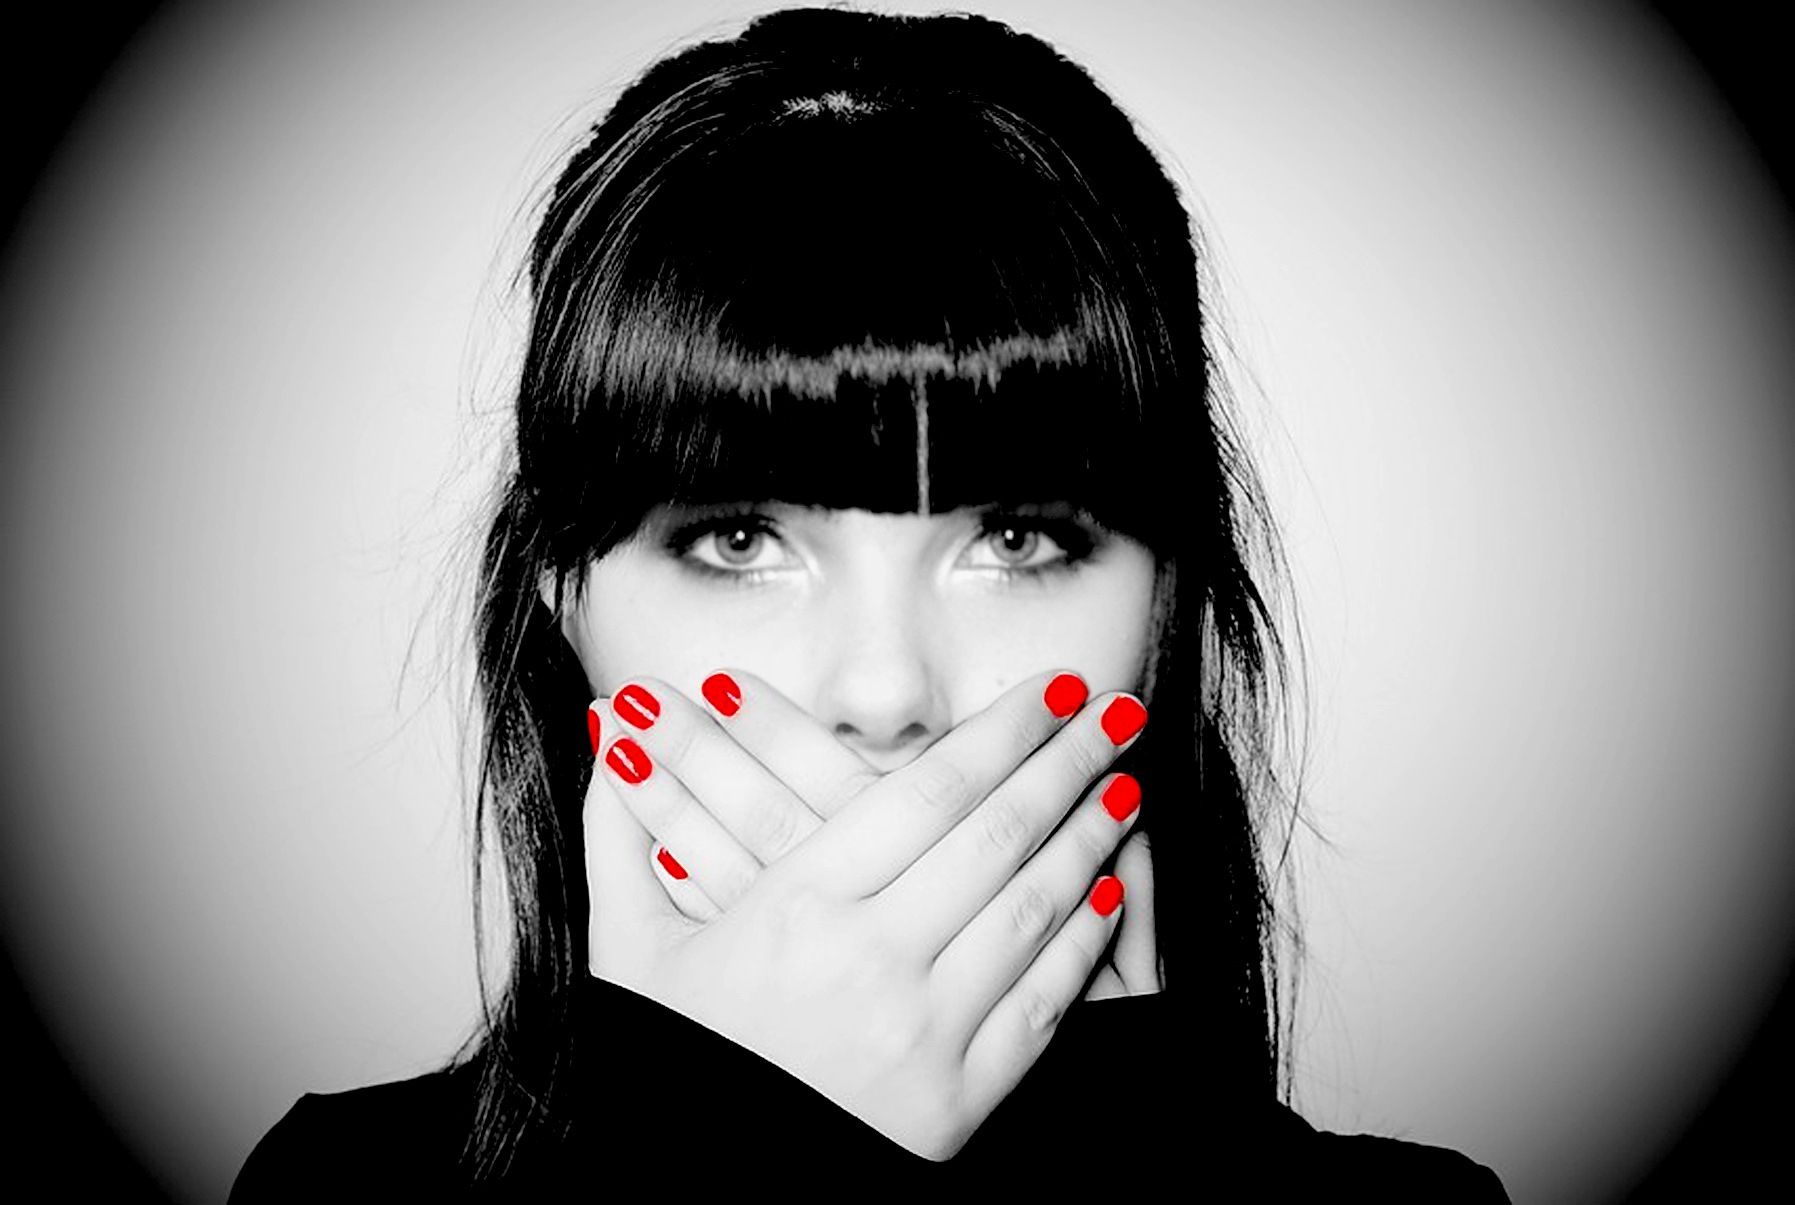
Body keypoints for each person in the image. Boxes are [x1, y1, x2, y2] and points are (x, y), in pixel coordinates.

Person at [232, 8, 1507, 1197]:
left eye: (1015, 537)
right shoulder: (336, 1190)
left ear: (1168, 598)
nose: (886, 693)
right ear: (564, 592)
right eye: (739, 538)